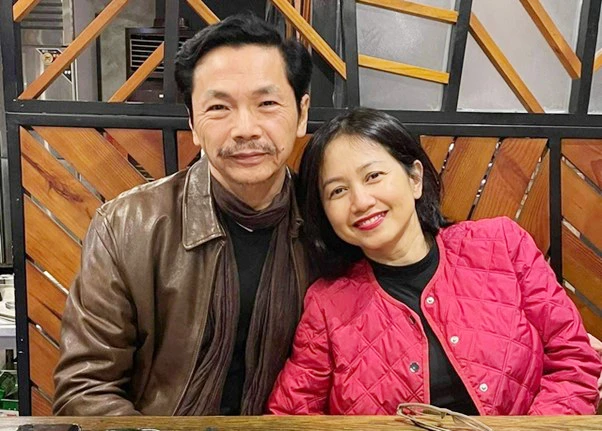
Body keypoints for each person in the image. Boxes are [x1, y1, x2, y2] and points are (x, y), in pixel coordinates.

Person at [53, 13, 313, 416]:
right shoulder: (126, 227)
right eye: (219, 107)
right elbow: (85, 389)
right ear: (192, 123)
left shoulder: (328, 225)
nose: (245, 128)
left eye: (267, 104)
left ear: (301, 113)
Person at [267, 108, 601, 415]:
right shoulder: (327, 305)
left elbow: (573, 359)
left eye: (373, 176)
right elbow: (290, 416)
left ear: (414, 178)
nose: (361, 201)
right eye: (338, 191)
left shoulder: (501, 244)